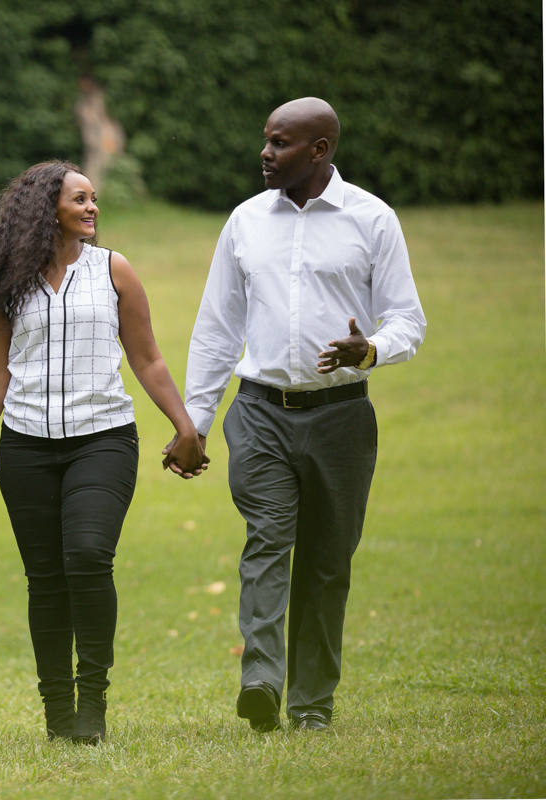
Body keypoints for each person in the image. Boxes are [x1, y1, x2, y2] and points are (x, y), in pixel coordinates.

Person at [172, 97, 426, 733]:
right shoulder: (245, 221)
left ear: (320, 150)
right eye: (265, 140)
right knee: (268, 538)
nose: (265, 153)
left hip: (342, 417)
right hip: (260, 412)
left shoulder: (372, 219)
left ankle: (312, 704)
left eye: (280, 143)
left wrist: (370, 350)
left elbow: (408, 320)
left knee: (326, 561)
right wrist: (195, 423)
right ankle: (261, 677)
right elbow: (216, 328)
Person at [0, 161, 206, 744]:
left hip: (103, 438)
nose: (92, 208)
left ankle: (92, 701)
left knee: (89, 556)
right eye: (80, 199)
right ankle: (57, 712)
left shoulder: (113, 270)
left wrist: (184, 424)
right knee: (45, 579)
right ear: (47, 209)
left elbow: (147, 357)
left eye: (94, 200)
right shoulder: (4, 282)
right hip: (27, 446)